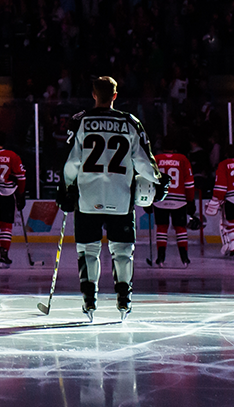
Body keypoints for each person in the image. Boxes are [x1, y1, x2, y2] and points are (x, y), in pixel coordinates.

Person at [59, 77, 160, 321]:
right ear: (115, 95)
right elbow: (143, 162)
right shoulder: (129, 122)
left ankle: (89, 299)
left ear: (93, 94)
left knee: (88, 250)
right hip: (120, 196)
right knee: (123, 251)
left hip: (87, 197)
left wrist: (66, 186)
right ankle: (124, 298)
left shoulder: (81, 120)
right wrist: (158, 179)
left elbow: (72, 161)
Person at [151, 145, 196, 266]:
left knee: (162, 228)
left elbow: (150, 178)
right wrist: (190, 199)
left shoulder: (156, 159)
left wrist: (150, 198)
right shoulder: (182, 159)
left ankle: (160, 258)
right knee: (180, 229)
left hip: (161, 199)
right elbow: (189, 181)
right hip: (179, 200)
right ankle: (184, 258)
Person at [0, 141, 26, 267]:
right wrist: (20, 195)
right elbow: (21, 177)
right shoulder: (12, 155)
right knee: (6, 226)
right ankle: (4, 255)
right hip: (8, 194)